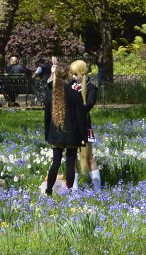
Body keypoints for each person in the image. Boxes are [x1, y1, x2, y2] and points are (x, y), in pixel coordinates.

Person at [42, 61, 90, 196]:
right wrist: (83, 137)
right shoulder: (75, 95)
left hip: (55, 134)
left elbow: (46, 118)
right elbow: (80, 119)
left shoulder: (49, 94)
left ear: (55, 76)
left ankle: (49, 190)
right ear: (67, 76)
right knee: (70, 162)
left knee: (55, 163)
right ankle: (68, 192)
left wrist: (47, 135)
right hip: (72, 135)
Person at [69, 59, 102, 190]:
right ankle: (75, 188)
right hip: (70, 124)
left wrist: (75, 108)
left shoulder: (91, 88)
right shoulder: (70, 85)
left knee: (88, 157)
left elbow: (89, 105)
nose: (73, 77)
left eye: (76, 74)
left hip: (83, 124)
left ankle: (98, 189)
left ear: (82, 73)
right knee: (72, 157)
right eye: (72, 74)